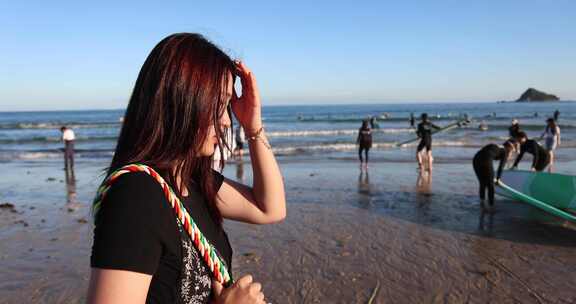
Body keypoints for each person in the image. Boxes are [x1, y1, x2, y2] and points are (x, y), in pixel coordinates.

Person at [87, 33, 286, 304]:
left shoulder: (192, 180)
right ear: (182, 101)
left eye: (227, 106)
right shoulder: (136, 196)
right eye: (218, 104)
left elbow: (270, 209)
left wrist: (253, 126)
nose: (227, 121)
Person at [473, 140, 518, 211]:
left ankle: (482, 203)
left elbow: (486, 152)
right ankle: (491, 206)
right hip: (486, 159)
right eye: (512, 151)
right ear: (509, 147)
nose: (511, 153)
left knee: (482, 183)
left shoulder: (496, 146)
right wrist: (498, 179)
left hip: (476, 159)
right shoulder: (505, 151)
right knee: (490, 185)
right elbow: (501, 167)